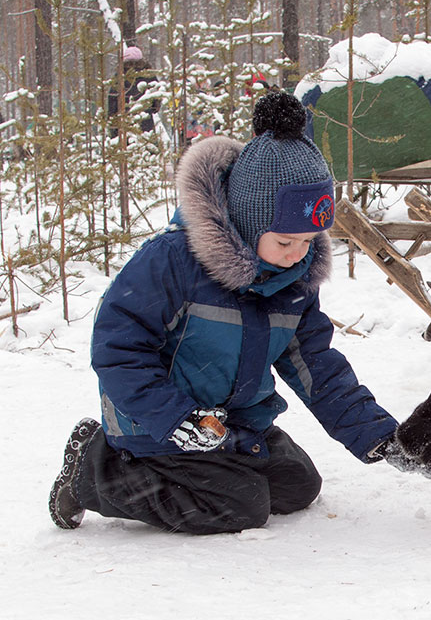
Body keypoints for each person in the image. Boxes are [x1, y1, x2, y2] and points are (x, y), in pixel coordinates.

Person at [50, 90, 401, 535]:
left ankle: (219, 467)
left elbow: (316, 365)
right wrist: (176, 419)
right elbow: (117, 351)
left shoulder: (294, 278)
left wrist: (379, 435)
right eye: (285, 241)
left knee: (298, 486)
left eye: (309, 242)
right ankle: (95, 471)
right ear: (249, 219)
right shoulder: (172, 261)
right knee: (240, 506)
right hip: (159, 422)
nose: (298, 255)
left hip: (229, 424)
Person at [107, 44, 160, 135]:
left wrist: (112, 117)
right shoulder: (148, 75)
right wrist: (154, 107)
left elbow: (112, 99)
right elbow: (156, 94)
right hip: (145, 119)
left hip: (123, 121)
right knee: (146, 143)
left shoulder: (119, 76)